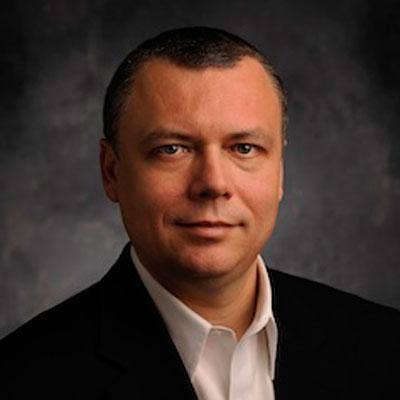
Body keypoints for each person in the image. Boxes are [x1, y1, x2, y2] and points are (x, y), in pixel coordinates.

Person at [0, 26, 399, 400]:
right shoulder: (23, 377)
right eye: (172, 149)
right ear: (112, 172)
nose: (213, 183)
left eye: (244, 148)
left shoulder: (383, 347)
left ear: (279, 172)